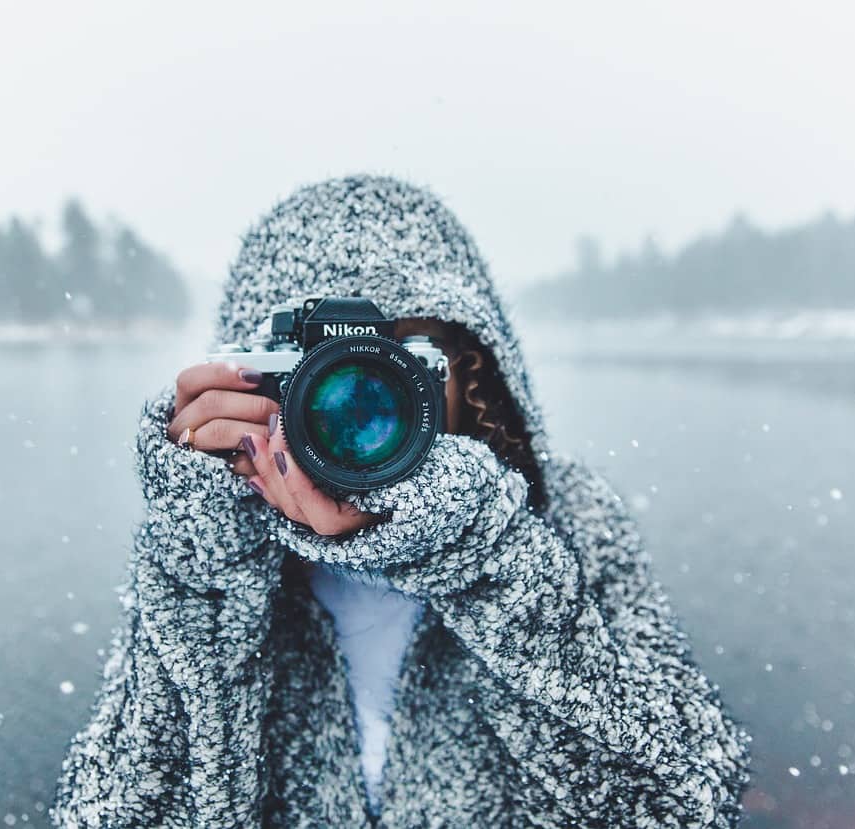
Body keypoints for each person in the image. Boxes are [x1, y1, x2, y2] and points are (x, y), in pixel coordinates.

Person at [51, 175, 753, 827]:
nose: (356, 402)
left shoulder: (565, 518)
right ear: (251, 378)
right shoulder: (216, 544)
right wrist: (202, 565)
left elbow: (682, 802)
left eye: (398, 361)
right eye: (317, 370)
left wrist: (483, 553)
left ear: (471, 371)